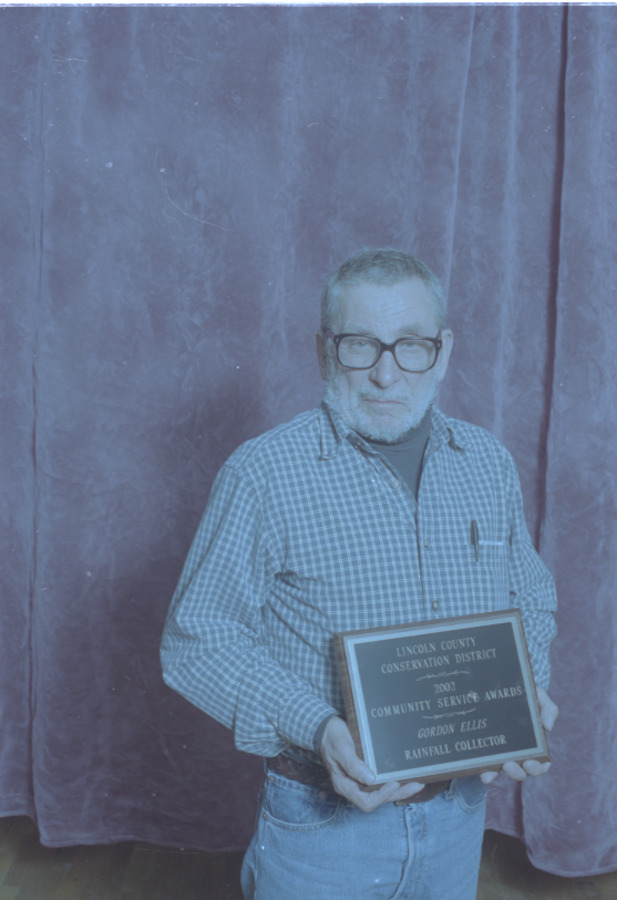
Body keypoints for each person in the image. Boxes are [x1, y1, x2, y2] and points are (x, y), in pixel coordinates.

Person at [160, 248, 558, 900]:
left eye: (410, 345)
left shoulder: (487, 464)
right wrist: (317, 726)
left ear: (443, 352)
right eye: (359, 345)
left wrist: (525, 686)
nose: (384, 372)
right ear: (324, 350)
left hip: (460, 816)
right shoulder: (264, 473)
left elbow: (531, 594)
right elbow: (197, 640)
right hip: (321, 829)